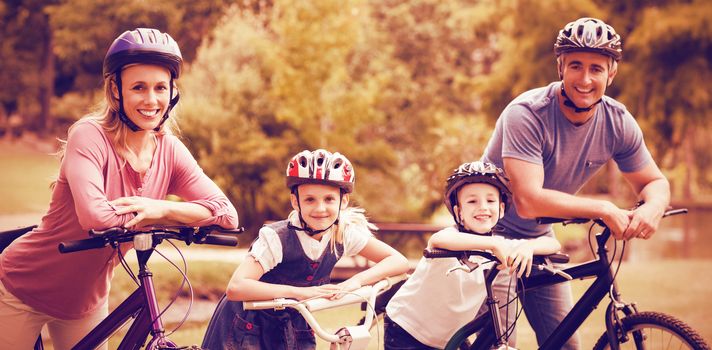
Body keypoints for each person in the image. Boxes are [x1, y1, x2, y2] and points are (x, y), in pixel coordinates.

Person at [0, 28, 239, 349]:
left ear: (172, 92)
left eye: (160, 88)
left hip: (84, 305)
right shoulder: (88, 135)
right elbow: (96, 217)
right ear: (116, 90)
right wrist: (188, 214)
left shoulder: (170, 150)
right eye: (138, 87)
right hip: (22, 290)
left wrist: (162, 209)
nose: (151, 99)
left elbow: (227, 214)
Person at [480, 17, 671, 349]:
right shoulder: (527, 113)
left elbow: (653, 181)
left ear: (611, 73)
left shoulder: (617, 122)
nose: (585, 79)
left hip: (538, 239)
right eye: (575, 66)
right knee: (501, 345)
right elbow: (527, 200)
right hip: (489, 236)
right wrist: (601, 208)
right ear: (560, 67)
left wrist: (653, 207)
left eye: (596, 69)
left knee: (565, 344)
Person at [202, 149, 410, 350]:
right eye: (310, 199)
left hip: (294, 325)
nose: (320, 209)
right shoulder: (277, 238)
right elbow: (236, 287)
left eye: (329, 199)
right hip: (246, 327)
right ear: (296, 201)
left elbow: (398, 261)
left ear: (343, 201)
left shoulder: (342, 233)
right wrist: (300, 294)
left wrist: (355, 282)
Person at [383, 161, 561, 349]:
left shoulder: (500, 244)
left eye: (490, 201)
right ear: (459, 212)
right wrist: (492, 244)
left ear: (501, 209)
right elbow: (438, 239)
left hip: (450, 337)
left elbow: (553, 243)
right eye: (472, 201)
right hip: (407, 331)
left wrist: (528, 247)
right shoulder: (453, 237)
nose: (483, 207)